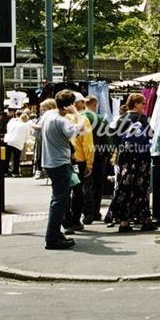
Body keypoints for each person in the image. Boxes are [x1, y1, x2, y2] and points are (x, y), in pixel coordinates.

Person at [40, 91, 86, 250]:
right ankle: (52, 238)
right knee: (60, 201)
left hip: (49, 161)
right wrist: (77, 113)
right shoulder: (61, 121)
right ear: (69, 104)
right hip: (60, 163)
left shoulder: (48, 115)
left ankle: (55, 233)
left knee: (57, 200)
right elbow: (79, 129)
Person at [106, 92, 157, 233]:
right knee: (141, 189)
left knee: (124, 189)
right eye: (142, 103)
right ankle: (145, 220)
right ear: (135, 104)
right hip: (141, 159)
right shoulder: (142, 119)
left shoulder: (120, 119)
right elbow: (150, 135)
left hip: (125, 158)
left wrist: (120, 149)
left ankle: (124, 222)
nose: (144, 106)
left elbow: (113, 137)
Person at [65, 92, 95, 230]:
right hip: (79, 160)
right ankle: (76, 220)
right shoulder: (82, 119)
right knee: (78, 191)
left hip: (63, 159)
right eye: (82, 102)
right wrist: (90, 163)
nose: (84, 104)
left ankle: (66, 220)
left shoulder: (61, 117)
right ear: (77, 104)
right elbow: (87, 143)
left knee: (64, 191)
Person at [85, 95, 112, 222]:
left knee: (83, 184)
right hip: (99, 154)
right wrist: (108, 152)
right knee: (97, 184)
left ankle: (84, 211)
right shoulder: (100, 119)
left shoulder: (78, 117)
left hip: (81, 155)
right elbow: (107, 137)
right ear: (95, 105)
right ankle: (95, 212)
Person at [4, 112, 32, 177]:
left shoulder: (12, 122)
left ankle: (5, 171)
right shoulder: (25, 125)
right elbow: (27, 136)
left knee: (7, 158)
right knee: (16, 158)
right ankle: (15, 172)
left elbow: (7, 128)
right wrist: (25, 141)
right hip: (18, 143)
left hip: (9, 140)